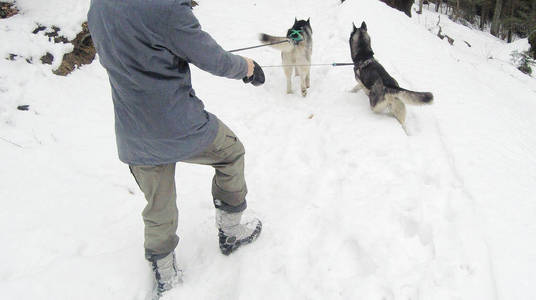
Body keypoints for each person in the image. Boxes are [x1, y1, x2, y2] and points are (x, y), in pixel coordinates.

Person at [87, 0, 265, 297]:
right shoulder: (165, 9)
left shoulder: (99, 5)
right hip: (181, 125)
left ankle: (165, 272)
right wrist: (247, 68)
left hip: (134, 132)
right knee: (231, 153)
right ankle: (231, 232)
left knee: (159, 204)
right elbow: (215, 60)